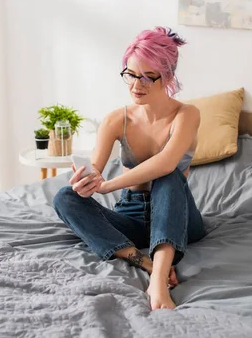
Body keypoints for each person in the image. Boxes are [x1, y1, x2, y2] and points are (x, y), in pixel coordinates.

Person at [52, 26, 205, 311]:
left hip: (179, 216)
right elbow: (95, 170)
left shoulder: (187, 115)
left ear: (169, 76)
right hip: (132, 215)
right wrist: (85, 180)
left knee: (167, 175)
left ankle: (158, 280)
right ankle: (144, 261)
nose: (137, 85)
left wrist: (107, 186)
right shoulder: (116, 120)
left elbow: (166, 162)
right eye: (131, 74)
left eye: (148, 77)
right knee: (64, 197)